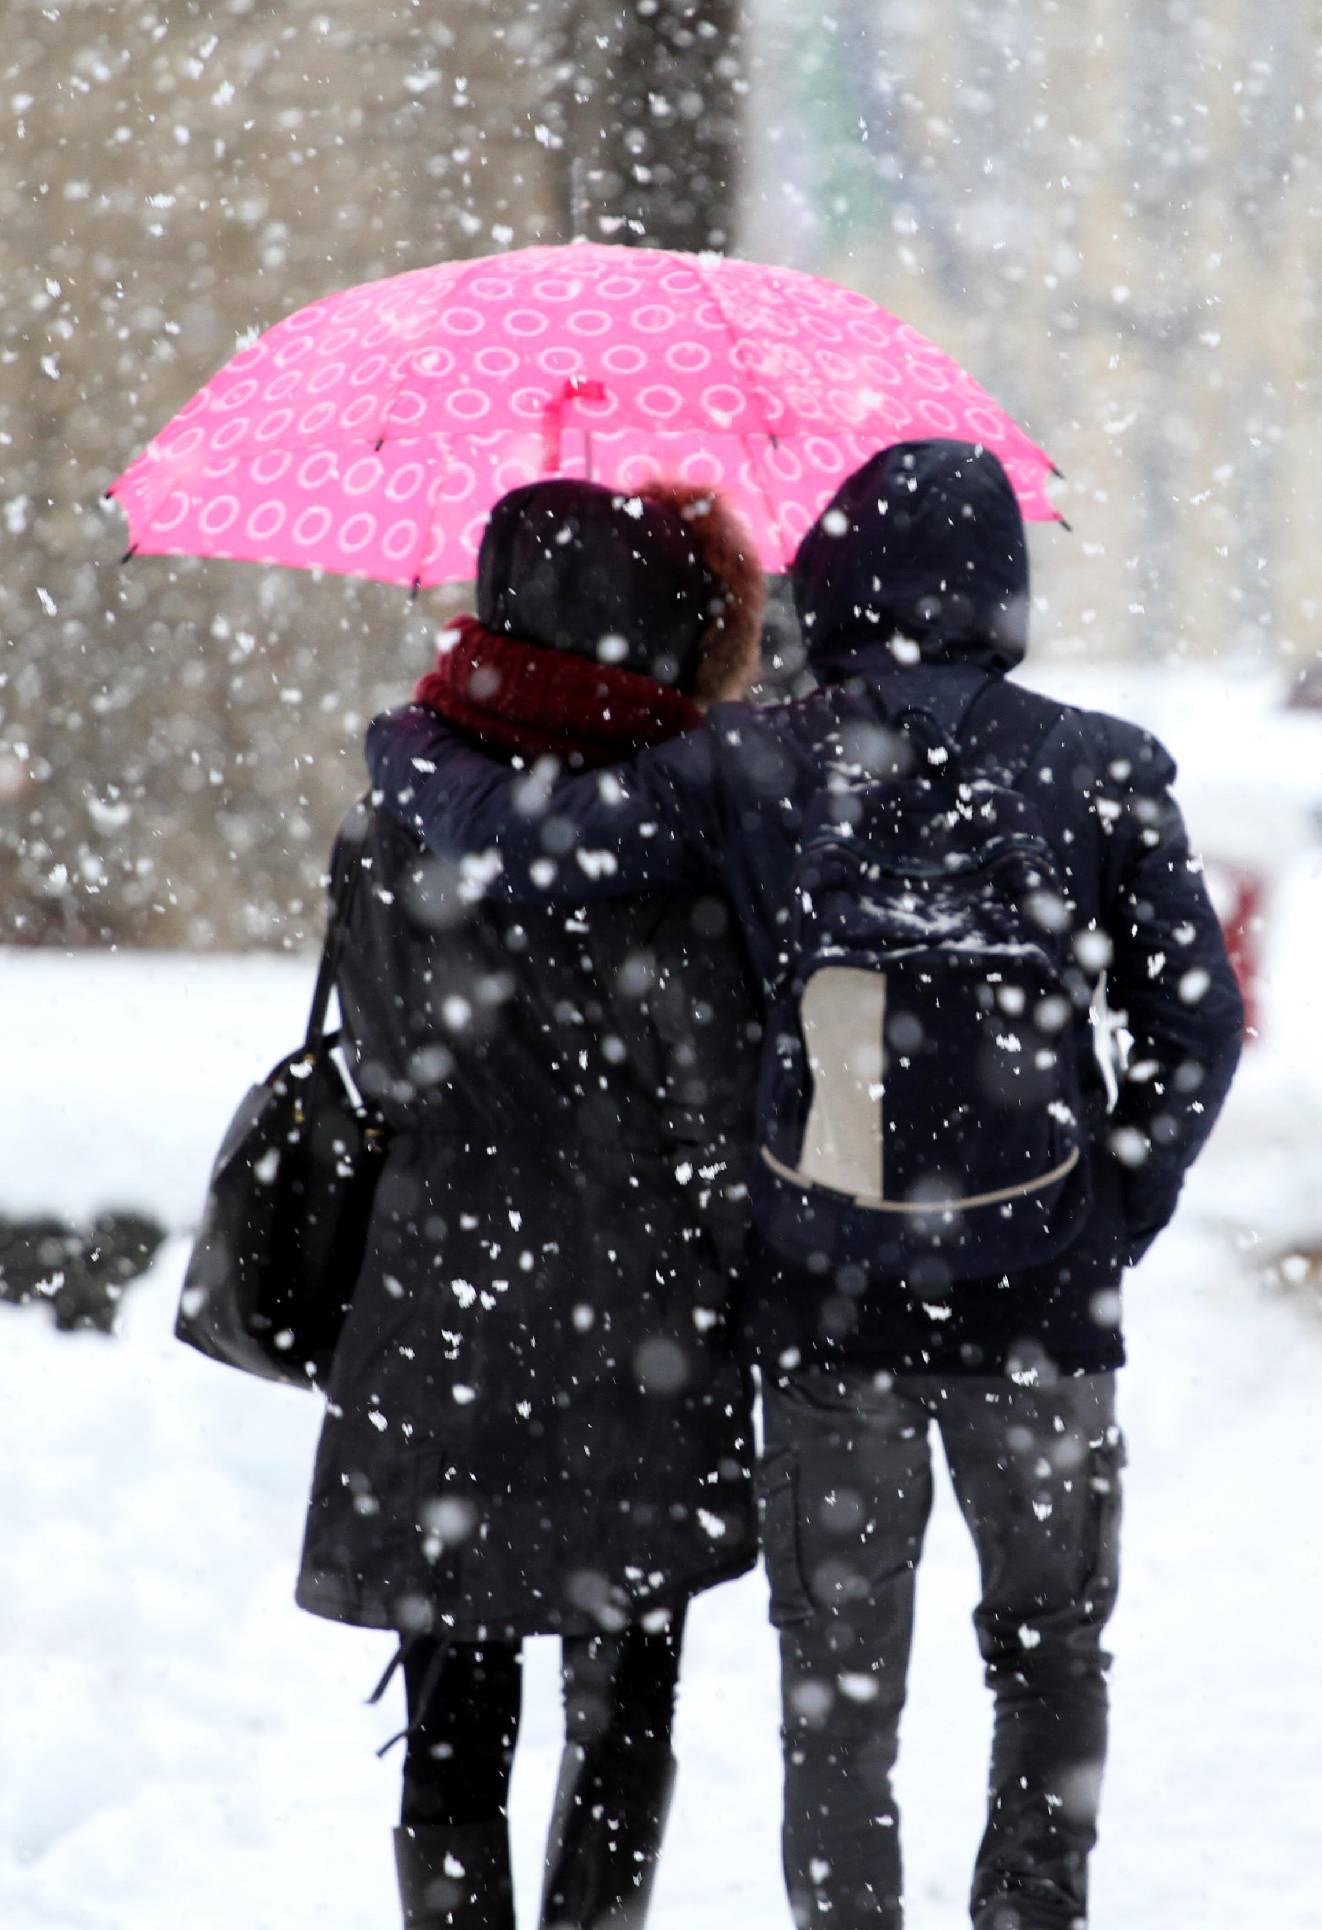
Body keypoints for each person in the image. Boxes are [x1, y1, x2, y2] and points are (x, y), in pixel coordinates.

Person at [367, 439, 1246, 1930]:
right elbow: (1197, 1022)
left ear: (832, 582)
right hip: (1042, 1302)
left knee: (840, 1681)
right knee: (1048, 1647)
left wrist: (413, 752)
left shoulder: (754, 761)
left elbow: (514, 850)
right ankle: (1033, 1906)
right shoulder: (1100, 764)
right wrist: (1111, 1214)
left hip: (834, 1303)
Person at [297, 476, 768, 1928]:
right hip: (642, 1322)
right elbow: (719, 1101)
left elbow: (378, 1062)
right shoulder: (689, 840)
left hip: (443, 1303)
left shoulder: (401, 811)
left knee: (452, 1708)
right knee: (625, 1693)